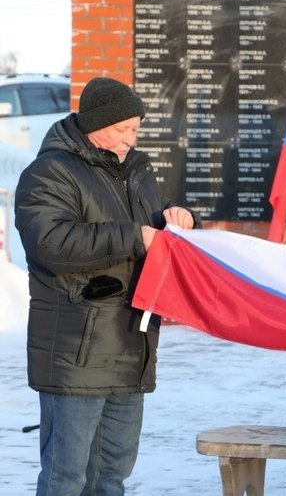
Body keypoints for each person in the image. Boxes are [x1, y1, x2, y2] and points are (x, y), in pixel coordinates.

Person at [14, 77, 200, 496]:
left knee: (111, 478)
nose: (129, 139)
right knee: (66, 479)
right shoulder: (49, 172)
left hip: (131, 346)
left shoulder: (137, 170)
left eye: (135, 129)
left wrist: (181, 216)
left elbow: (158, 224)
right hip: (75, 352)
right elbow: (51, 244)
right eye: (122, 129)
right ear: (94, 124)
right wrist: (135, 237)